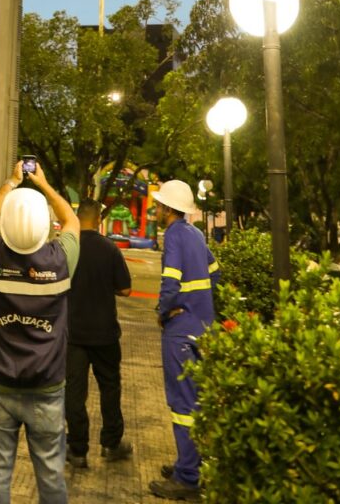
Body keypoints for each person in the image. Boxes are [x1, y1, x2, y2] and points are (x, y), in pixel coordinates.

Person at [0, 159, 80, 504]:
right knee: (51, 476)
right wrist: (44, 185)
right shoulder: (60, 260)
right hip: (47, 387)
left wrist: (11, 182)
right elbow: (72, 220)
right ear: (43, 226)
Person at [149, 180, 220, 501]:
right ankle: (192, 463)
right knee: (198, 399)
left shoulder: (175, 235)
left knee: (182, 404)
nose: (156, 209)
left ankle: (186, 478)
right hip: (203, 325)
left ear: (167, 209)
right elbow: (214, 272)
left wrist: (164, 311)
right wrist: (201, 301)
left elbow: (171, 281)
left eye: (159, 205)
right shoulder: (196, 234)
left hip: (179, 329)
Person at [64, 199, 132, 468]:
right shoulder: (110, 248)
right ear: (98, 219)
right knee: (110, 388)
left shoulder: (67, 248)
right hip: (105, 334)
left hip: (74, 335)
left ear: (78, 218)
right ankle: (111, 444)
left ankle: (78, 450)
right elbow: (125, 289)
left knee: (74, 393)